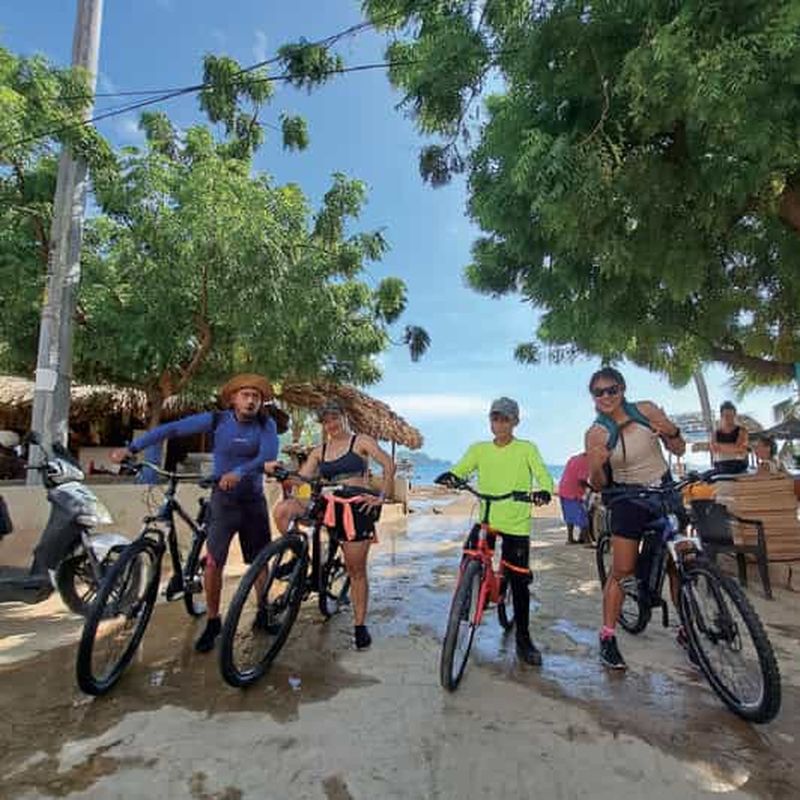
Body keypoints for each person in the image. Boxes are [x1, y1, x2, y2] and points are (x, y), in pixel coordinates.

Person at [111, 374, 278, 653]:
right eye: (245, 395)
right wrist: (131, 448)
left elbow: (267, 457)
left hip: (253, 501)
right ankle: (213, 621)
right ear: (233, 399)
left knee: (259, 561)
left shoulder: (266, 424)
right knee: (213, 563)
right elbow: (173, 429)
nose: (251, 401)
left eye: (256, 397)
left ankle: (264, 610)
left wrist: (239, 472)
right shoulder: (218, 420)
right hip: (223, 500)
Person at [268, 399, 394, 650]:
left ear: (344, 417)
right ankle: (299, 556)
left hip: (355, 505)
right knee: (283, 510)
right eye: (326, 421)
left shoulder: (361, 441)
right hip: (327, 502)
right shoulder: (320, 450)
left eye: (335, 418)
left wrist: (382, 497)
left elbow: (388, 464)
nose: (331, 424)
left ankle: (359, 625)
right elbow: (304, 479)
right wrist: (286, 478)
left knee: (356, 570)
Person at [437, 397, 554, 666]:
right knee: (469, 554)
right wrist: (451, 477)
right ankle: (464, 605)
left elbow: (543, 475)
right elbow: (461, 469)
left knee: (519, 581)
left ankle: (523, 639)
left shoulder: (526, 449)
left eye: (505, 419)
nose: (499, 424)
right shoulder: (479, 449)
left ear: (515, 422)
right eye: (495, 418)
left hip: (516, 521)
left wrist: (544, 491)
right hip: (487, 518)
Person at [584, 367, 686, 671]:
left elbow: (679, 449)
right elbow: (599, 484)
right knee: (622, 569)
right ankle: (607, 637)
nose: (606, 396)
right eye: (599, 392)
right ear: (593, 397)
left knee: (680, 561)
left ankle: (688, 626)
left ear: (623, 389)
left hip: (664, 491)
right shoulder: (596, 434)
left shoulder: (646, 410)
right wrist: (596, 466)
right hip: (627, 499)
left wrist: (670, 431)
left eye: (611, 390)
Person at [558, 452, 590, 545]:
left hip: (563, 489)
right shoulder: (585, 461)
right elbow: (582, 480)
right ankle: (587, 540)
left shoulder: (574, 458)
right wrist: (593, 487)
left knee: (569, 516)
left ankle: (570, 538)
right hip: (572, 492)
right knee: (582, 516)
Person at [711, 401, 749, 474]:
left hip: (738, 466)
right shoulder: (716, 433)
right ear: (721, 416)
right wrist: (733, 448)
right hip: (720, 466)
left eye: (731, 415)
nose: (728, 418)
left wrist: (720, 447)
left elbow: (740, 448)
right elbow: (714, 449)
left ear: (734, 416)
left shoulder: (742, 431)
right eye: (726, 415)